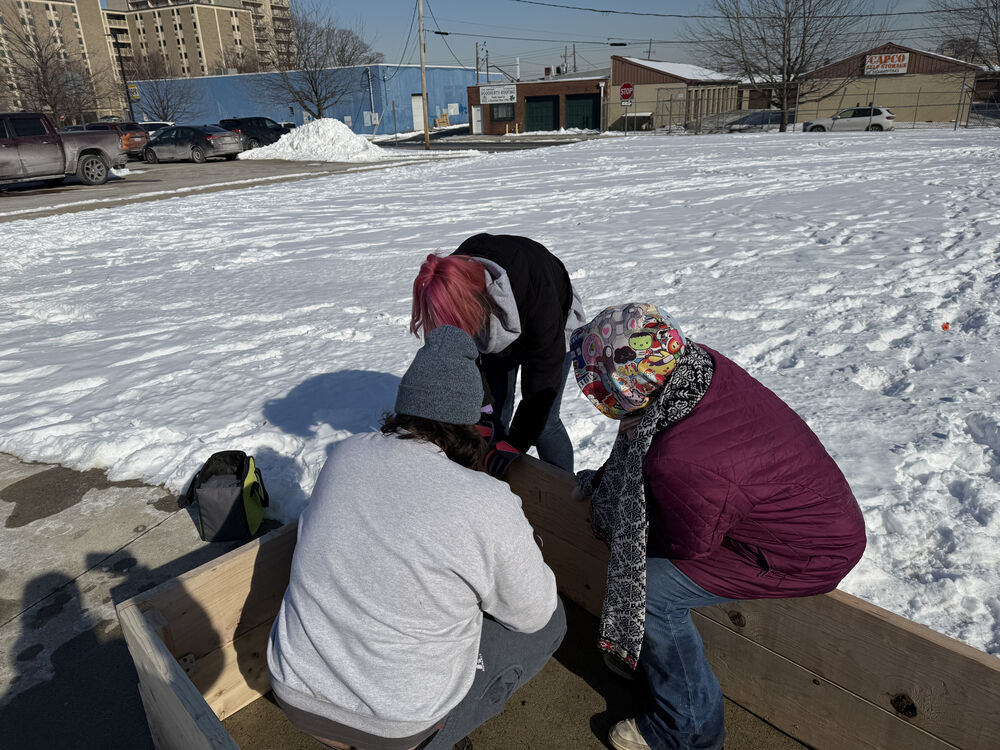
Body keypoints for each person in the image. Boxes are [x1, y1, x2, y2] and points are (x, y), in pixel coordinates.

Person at [570, 303, 867, 750]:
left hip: (806, 552)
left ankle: (687, 729)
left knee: (647, 589)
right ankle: (642, 651)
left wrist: (634, 533)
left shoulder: (679, 459)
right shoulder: (689, 367)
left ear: (623, 388)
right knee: (636, 553)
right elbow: (667, 461)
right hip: (800, 511)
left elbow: (688, 543)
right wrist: (614, 487)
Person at [267, 325, 566, 750]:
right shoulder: (484, 500)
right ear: (474, 427)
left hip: (295, 689)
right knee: (551, 622)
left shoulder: (347, 455)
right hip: (395, 725)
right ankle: (440, 738)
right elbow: (533, 614)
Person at [409, 233, 586, 477]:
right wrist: (483, 406)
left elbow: (543, 379)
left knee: (544, 424)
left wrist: (517, 442)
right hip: (492, 326)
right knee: (495, 414)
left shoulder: (537, 292)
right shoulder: (448, 284)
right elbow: (463, 354)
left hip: (551, 323)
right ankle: (496, 485)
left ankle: (565, 492)